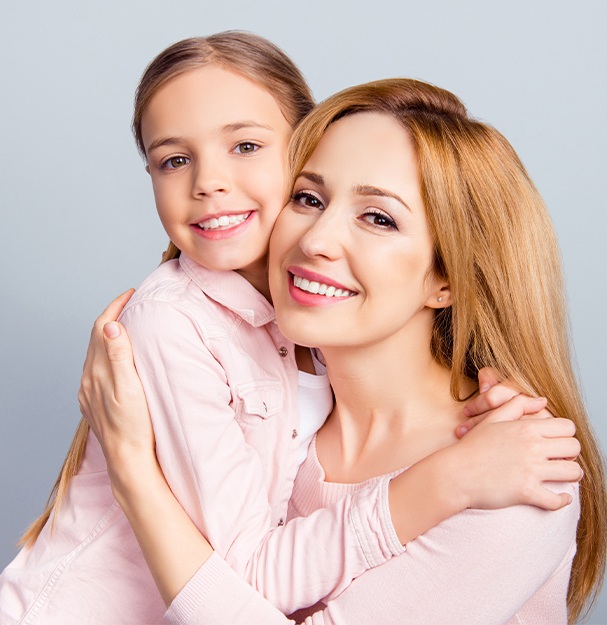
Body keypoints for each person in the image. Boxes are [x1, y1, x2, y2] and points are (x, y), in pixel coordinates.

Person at [0, 34, 585, 625]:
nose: (316, 240)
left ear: (449, 277)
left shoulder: (515, 472)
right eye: (308, 198)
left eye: (379, 218)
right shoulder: (282, 407)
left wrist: (134, 471)